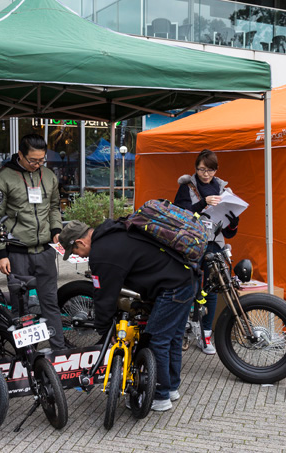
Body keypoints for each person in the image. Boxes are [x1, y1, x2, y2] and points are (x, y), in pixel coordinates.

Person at [59, 219, 198, 411]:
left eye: (74, 251)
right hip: (186, 278)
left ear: (80, 242)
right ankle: (171, 387)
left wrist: (106, 327)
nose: (77, 256)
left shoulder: (101, 254)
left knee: (156, 340)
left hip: (172, 288)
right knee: (172, 337)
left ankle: (159, 397)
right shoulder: (113, 230)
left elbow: (104, 296)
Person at [0, 134, 65, 351]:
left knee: (50, 303)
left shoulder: (48, 176)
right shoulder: (2, 179)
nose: (37, 165)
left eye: (41, 160)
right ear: (20, 155)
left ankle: (59, 351)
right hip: (16, 253)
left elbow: (54, 207)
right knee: (21, 309)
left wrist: (57, 229)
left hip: (46, 251)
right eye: (33, 160)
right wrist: (1, 253)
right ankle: (26, 356)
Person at [173, 149, 239, 354]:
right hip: (192, 243)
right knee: (188, 287)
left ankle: (205, 336)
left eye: (210, 170)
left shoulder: (222, 189)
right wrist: (203, 203)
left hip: (215, 244)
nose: (206, 174)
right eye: (202, 169)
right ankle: (182, 332)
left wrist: (234, 221)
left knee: (211, 289)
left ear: (216, 170)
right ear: (195, 168)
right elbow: (178, 215)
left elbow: (229, 231)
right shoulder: (186, 187)